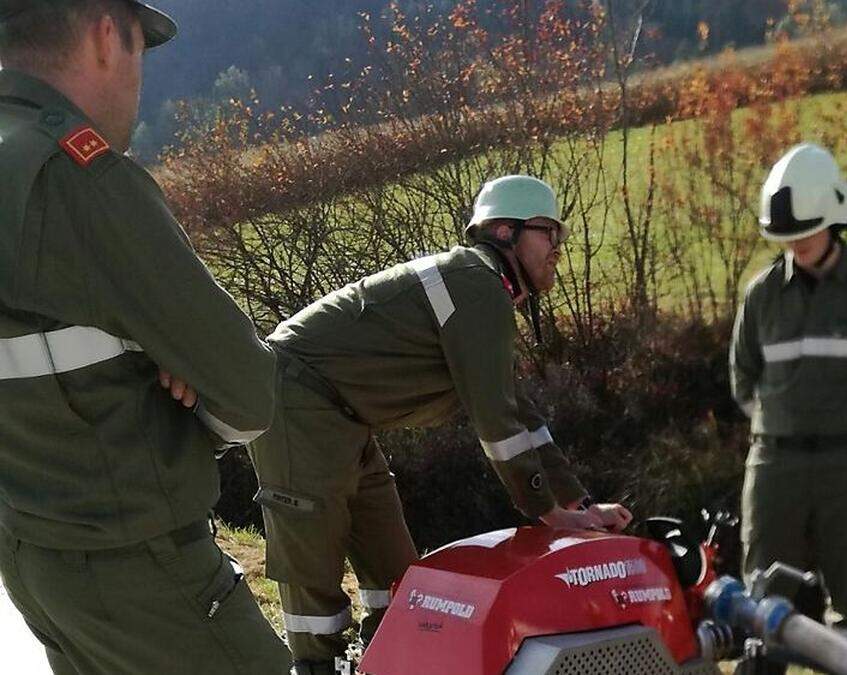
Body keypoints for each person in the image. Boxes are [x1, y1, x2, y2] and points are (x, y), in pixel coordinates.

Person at [0, 1, 291, 673]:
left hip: (35, 559)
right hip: (141, 567)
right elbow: (249, 389)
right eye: (139, 50)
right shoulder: (82, 179)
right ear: (106, 35)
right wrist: (186, 399)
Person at [250, 175, 633, 674]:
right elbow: (496, 426)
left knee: (397, 576)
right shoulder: (477, 285)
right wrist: (548, 511)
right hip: (298, 400)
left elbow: (518, 413)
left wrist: (578, 504)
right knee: (313, 574)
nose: (558, 247)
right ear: (503, 232)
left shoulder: (482, 289)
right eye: (547, 232)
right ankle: (313, 668)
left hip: (344, 416)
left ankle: (387, 662)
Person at [730, 143, 847, 655]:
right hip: (774, 462)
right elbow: (743, 378)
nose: (798, 244)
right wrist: (783, 423)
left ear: (834, 219)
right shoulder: (761, 294)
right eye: (786, 236)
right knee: (763, 596)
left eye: (806, 232)